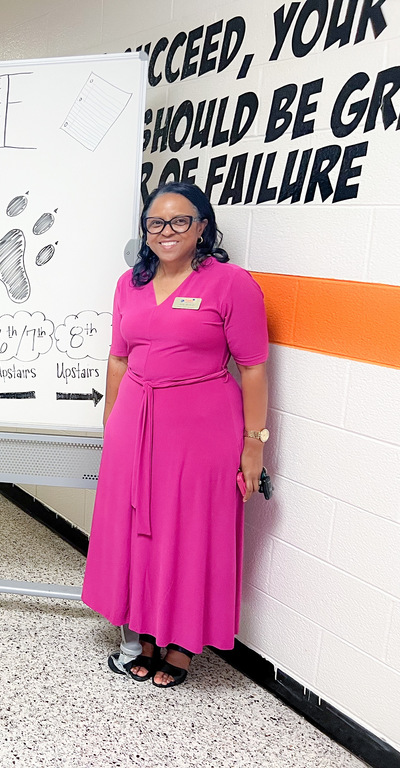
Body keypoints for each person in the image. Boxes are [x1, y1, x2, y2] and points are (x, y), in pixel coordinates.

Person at [81, 181, 268, 688]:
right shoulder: (130, 283)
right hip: (135, 420)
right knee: (138, 527)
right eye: (156, 223)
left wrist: (255, 444)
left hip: (203, 425)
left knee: (190, 528)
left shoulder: (231, 283)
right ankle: (142, 632)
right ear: (145, 230)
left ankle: (183, 644)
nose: (167, 232)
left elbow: (252, 368)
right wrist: (112, 428)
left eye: (180, 221)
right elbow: (118, 359)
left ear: (203, 227)